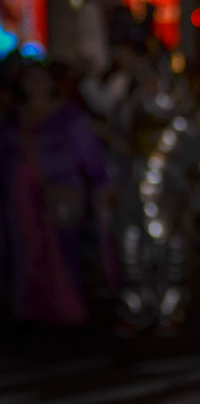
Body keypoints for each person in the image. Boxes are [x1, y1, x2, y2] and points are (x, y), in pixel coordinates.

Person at [0, 57, 118, 328]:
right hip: (20, 192)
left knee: (60, 246)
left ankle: (66, 307)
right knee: (25, 247)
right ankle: (30, 307)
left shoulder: (68, 115)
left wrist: (101, 182)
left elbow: (90, 152)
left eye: (41, 79)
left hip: (61, 189)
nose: (36, 85)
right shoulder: (15, 116)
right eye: (30, 80)